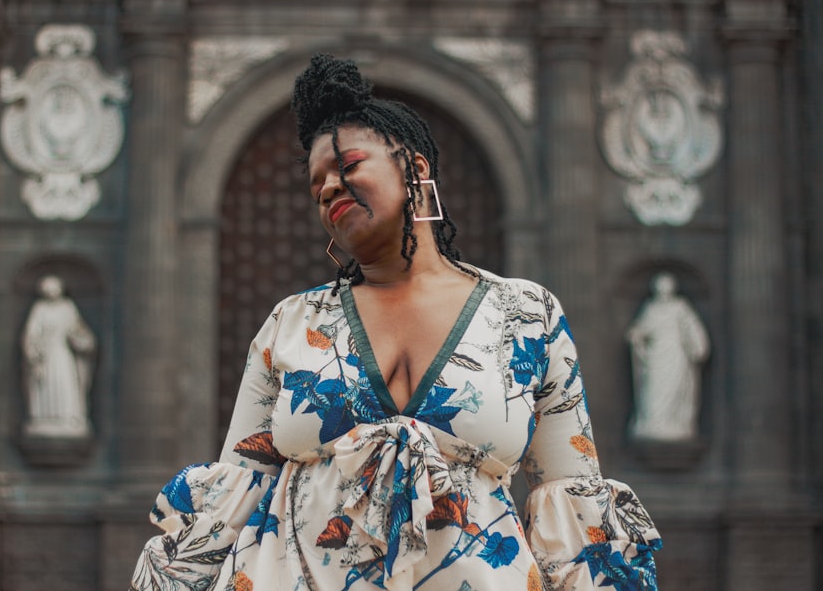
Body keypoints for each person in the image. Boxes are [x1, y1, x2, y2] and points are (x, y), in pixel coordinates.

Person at [129, 54, 661, 590]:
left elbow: (572, 501)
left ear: (415, 169)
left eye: (348, 165)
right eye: (317, 187)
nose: (329, 188)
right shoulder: (291, 323)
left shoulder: (527, 315)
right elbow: (237, 492)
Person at [626, 271, 709, 442]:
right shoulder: (651, 308)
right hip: (656, 354)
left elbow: (692, 327)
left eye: (666, 286)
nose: (663, 290)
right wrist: (635, 335)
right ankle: (653, 423)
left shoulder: (680, 307)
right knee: (653, 389)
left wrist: (698, 347)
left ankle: (675, 422)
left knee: (675, 388)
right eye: (660, 287)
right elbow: (641, 328)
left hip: (676, 352)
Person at [21, 274, 96, 438]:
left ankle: (68, 417)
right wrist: (34, 352)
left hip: (62, 353)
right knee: (46, 385)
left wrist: (80, 340)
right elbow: (31, 334)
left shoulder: (68, 308)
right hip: (46, 354)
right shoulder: (39, 309)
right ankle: (44, 418)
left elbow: (78, 330)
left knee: (64, 383)